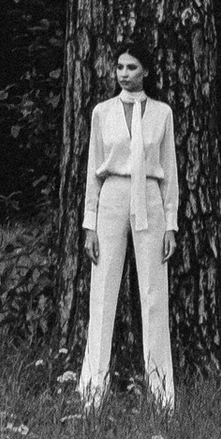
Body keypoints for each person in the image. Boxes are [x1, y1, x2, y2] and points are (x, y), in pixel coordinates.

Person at [78, 42, 178, 411]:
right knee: (103, 292)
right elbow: (93, 170)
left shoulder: (162, 114)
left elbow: (170, 173)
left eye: (132, 67)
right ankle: (92, 391)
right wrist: (90, 223)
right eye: (120, 67)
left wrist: (172, 225)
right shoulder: (101, 113)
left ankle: (162, 394)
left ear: (146, 72)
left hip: (150, 197)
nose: (124, 73)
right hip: (113, 196)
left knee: (154, 294)